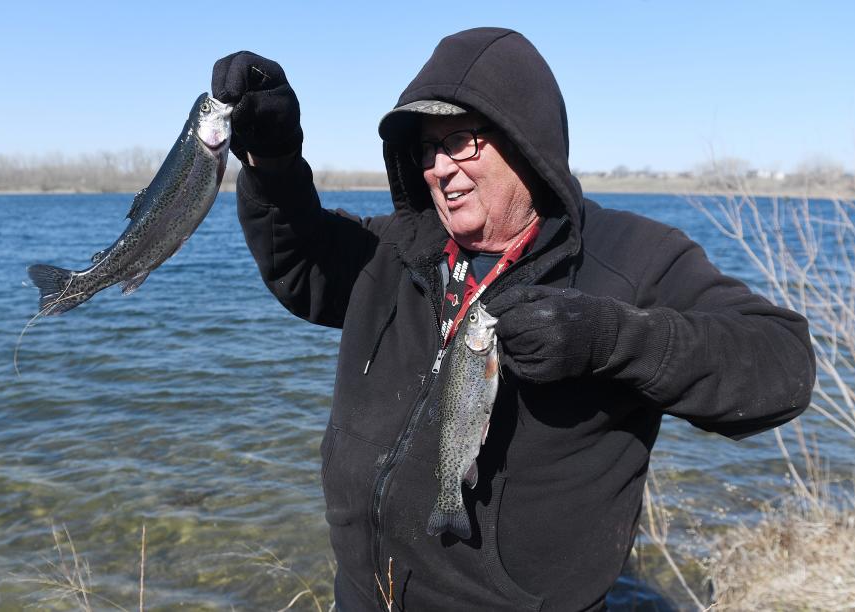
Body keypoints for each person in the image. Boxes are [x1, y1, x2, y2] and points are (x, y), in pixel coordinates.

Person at [211, 27, 815, 611]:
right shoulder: (399, 248)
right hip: (366, 596)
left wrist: (610, 339)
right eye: (426, 147)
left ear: (526, 140)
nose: (439, 168)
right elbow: (302, 264)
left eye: (462, 141)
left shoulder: (632, 259)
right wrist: (273, 159)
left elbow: (781, 364)